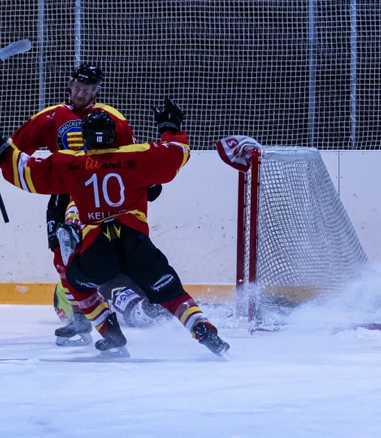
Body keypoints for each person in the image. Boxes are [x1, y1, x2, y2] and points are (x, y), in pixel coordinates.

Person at [0, 98, 230, 358]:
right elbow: (178, 152)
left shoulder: (69, 163)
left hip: (97, 246)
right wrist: (170, 126)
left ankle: (111, 334)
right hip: (136, 243)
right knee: (171, 292)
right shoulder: (136, 156)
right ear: (113, 137)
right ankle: (204, 329)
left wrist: (3, 151)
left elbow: (24, 174)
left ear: (83, 138)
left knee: (76, 282)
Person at [8, 62, 162, 346]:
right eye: (78, 86)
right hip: (63, 192)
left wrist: (146, 182)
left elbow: (130, 156)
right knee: (61, 256)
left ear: (96, 89)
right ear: (70, 83)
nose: (81, 92)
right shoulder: (50, 116)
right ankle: (79, 317)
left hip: (97, 194)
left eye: (88, 88)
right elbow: (15, 148)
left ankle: (130, 307)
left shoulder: (111, 117)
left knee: (95, 255)